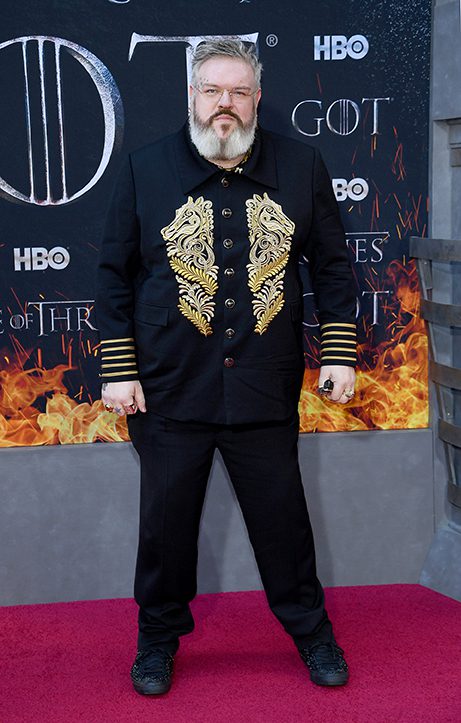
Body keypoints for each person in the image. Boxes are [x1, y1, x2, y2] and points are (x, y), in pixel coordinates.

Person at [96, 38, 356, 695]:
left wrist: (338, 350)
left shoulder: (301, 165)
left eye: (238, 92)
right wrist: (119, 368)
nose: (224, 104)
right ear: (191, 96)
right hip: (167, 389)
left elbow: (330, 267)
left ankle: (312, 634)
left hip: (263, 385)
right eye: (212, 90)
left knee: (283, 524)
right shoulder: (144, 169)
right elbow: (111, 277)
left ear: (257, 99)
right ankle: (156, 641)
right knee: (165, 528)